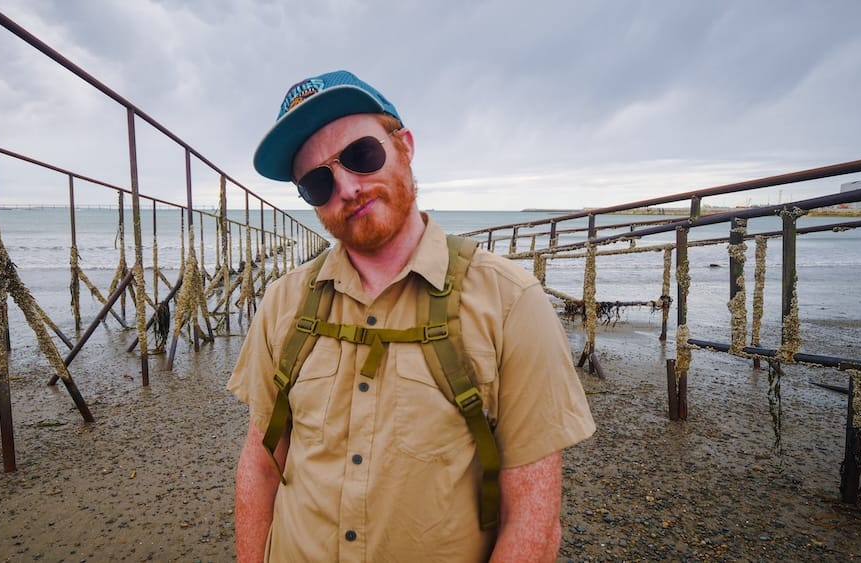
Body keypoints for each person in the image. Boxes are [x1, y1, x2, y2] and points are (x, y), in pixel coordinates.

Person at [228, 70, 596, 562]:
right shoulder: (282, 304)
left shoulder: (510, 303)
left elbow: (533, 516)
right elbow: (260, 465)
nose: (346, 187)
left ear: (404, 145)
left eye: (361, 155)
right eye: (317, 182)